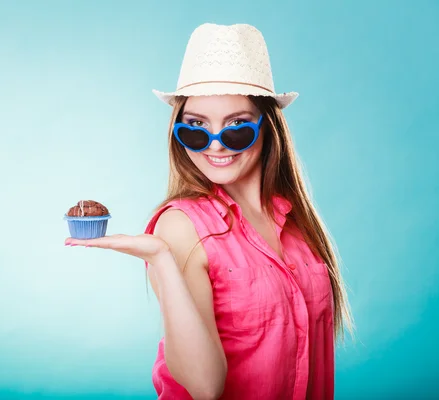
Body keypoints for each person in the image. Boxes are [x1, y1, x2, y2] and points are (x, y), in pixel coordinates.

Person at [65, 23, 354, 400]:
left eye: (236, 127)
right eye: (197, 129)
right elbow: (204, 387)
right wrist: (162, 258)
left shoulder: (298, 224)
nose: (216, 146)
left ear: (269, 128)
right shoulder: (181, 226)